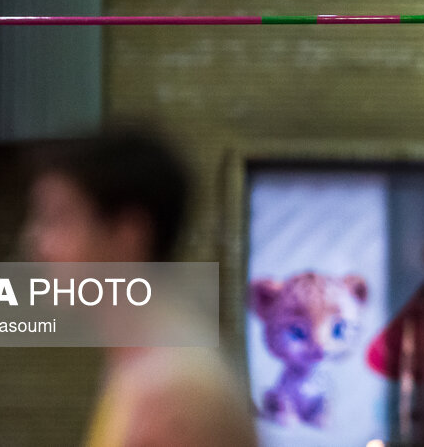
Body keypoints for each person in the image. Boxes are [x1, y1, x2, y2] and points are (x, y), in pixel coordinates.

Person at [24, 126, 259, 447]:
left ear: (128, 235)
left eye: (59, 219)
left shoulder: (173, 392)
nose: (39, 246)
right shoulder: (139, 364)